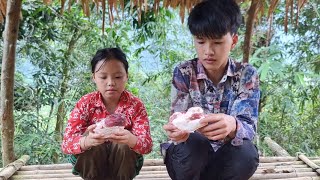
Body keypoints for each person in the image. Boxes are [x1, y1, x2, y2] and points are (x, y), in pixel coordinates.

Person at [162, 0, 260, 179]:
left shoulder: (246, 74)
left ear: (233, 41)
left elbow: (249, 126)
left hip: (224, 162)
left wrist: (233, 124)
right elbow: (178, 118)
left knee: (247, 153)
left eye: (217, 42)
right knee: (195, 144)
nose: (208, 51)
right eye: (200, 41)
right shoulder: (184, 72)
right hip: (188, 160)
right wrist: (177, 130)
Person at [61, 47, 153, 180]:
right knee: (91, 144)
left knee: (124, 144)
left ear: (126, 76)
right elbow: (66, 144)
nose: (111, 83)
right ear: (94, 77)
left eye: (118, 76)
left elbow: (147, 145)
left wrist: (131, 139)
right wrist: (87, 141)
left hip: (125, 169)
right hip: (91, 168)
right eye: (103, 77)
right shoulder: (86, 103)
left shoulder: (135, 105)